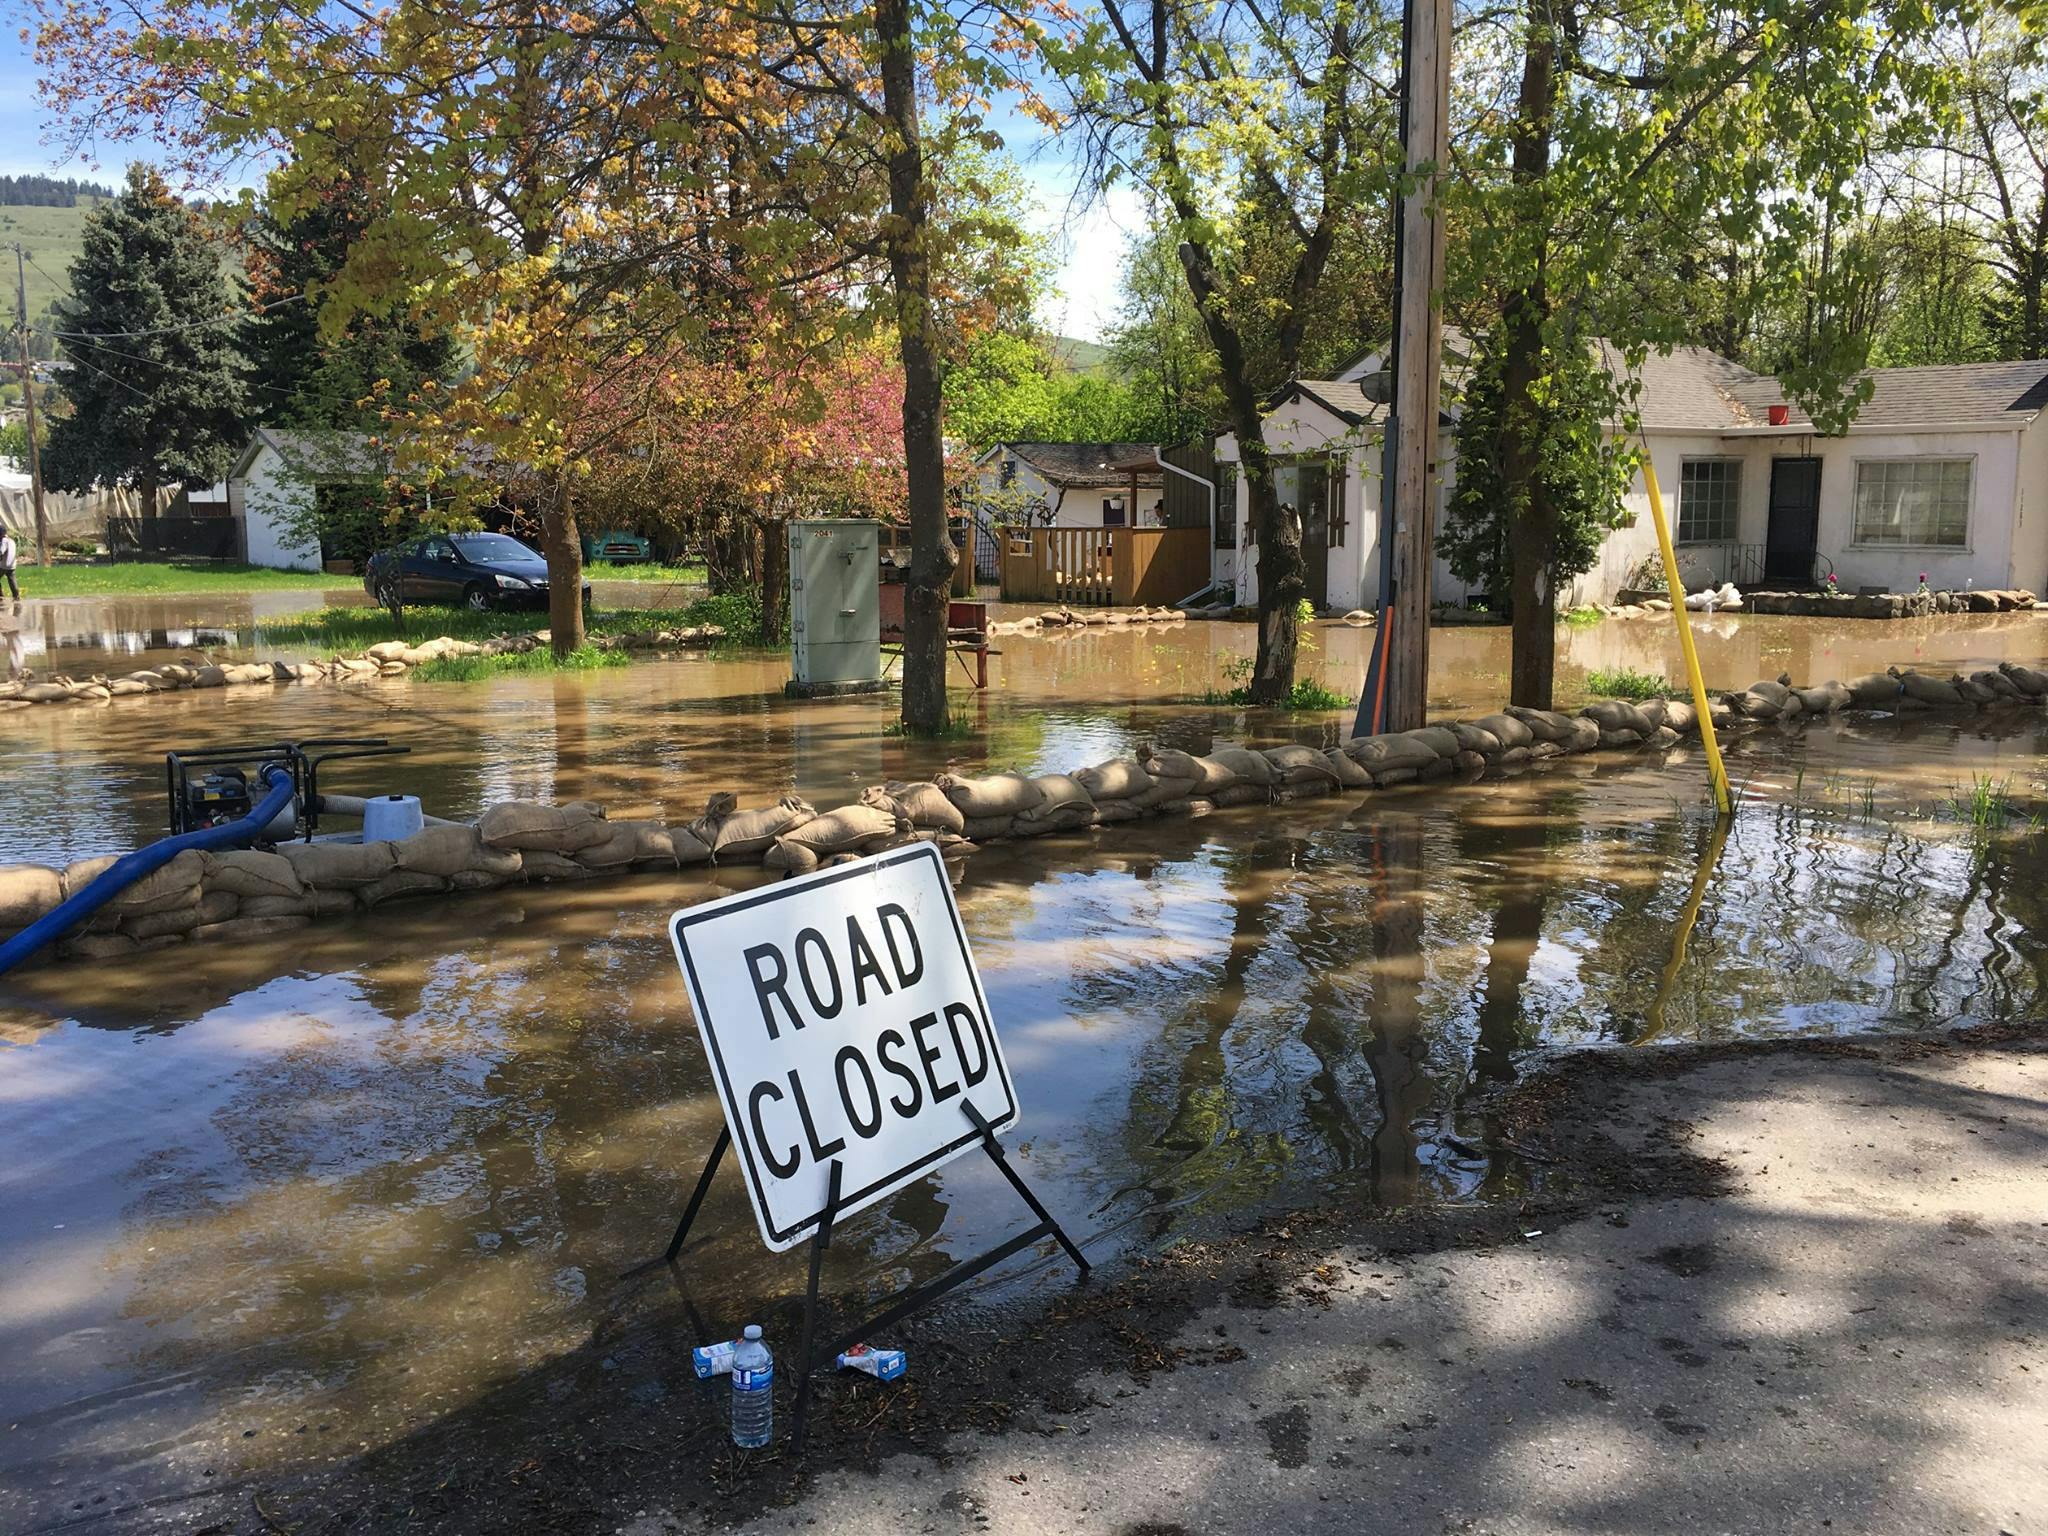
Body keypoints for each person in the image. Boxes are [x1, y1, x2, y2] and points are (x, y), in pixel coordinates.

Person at [0, 529, 16, 601]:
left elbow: (1, 551)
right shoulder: (12, 541)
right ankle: (16, 596)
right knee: (11, 580)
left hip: (4, 565)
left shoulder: (4, 540)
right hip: (12, 565)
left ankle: (1, 596)